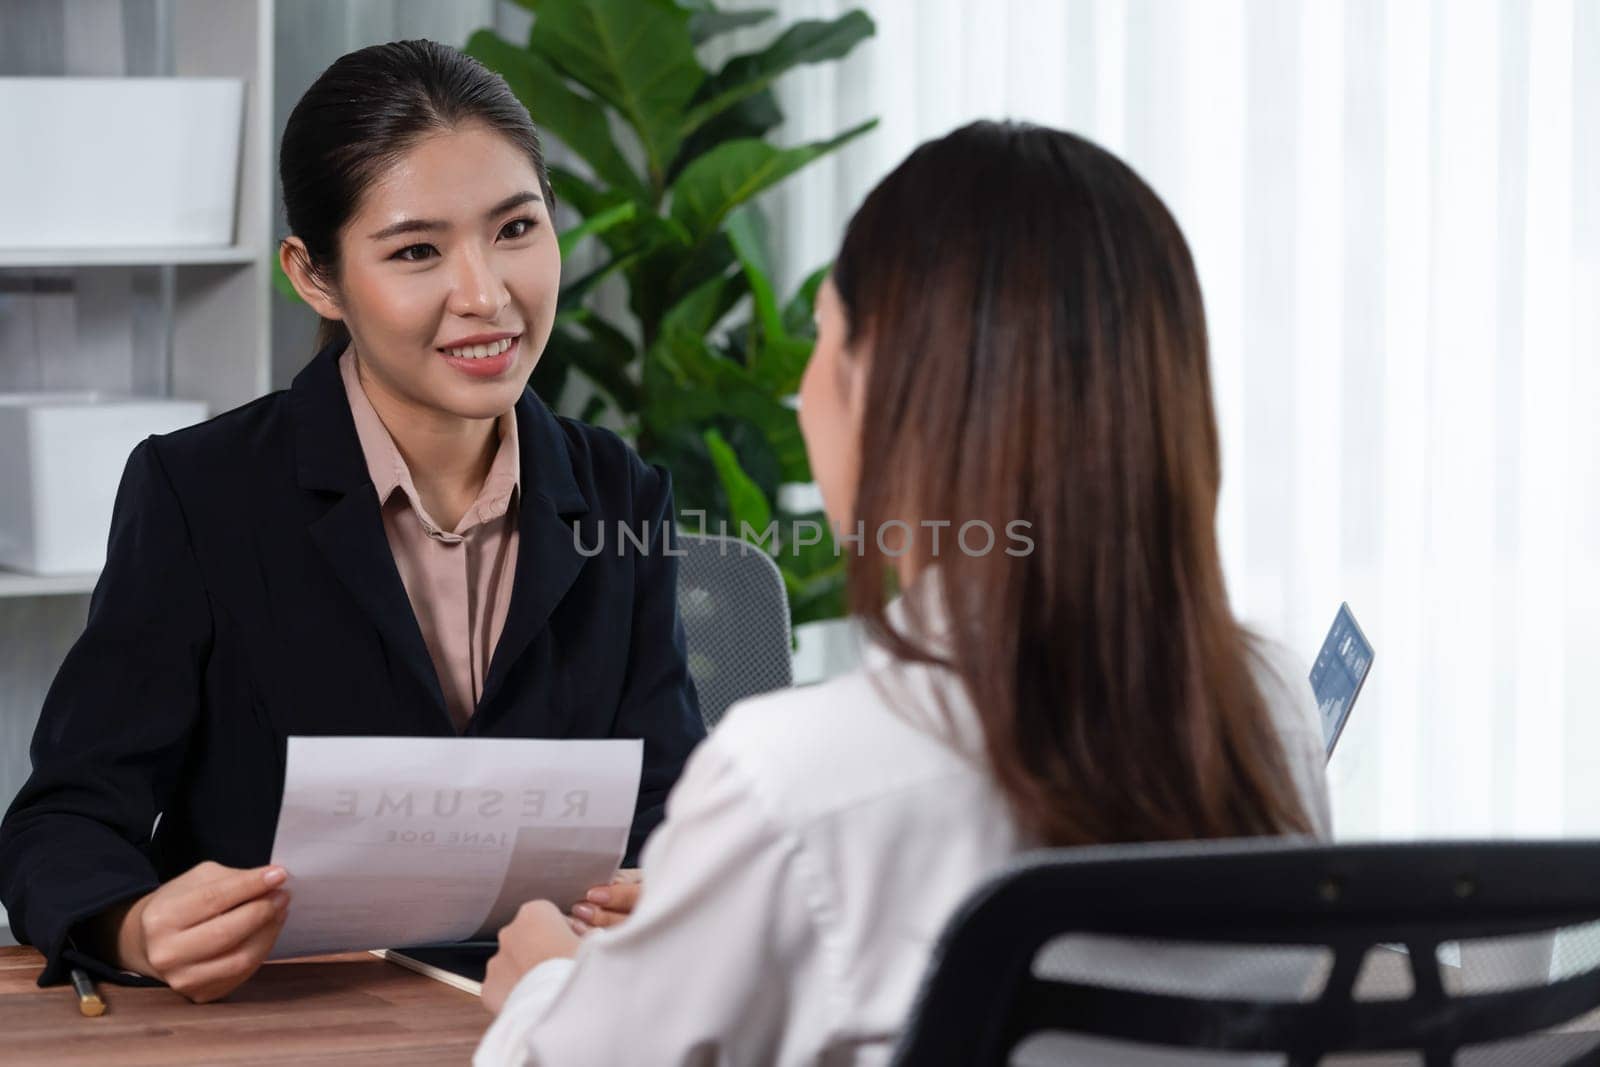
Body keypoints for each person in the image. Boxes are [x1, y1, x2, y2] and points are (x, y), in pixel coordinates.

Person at [472, 121, 1334, 1066]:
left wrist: (547, 980)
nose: (803, 396)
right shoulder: (1272, 708)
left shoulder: (796, 775)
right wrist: (711, 901)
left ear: (890, 391)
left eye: (825, 341)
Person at [0, 39, 704, 1003]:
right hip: (281, 1024)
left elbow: (669, 802)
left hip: (546, 1015)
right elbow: (64, 819)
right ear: (316, 276)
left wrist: (667, 883)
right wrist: (136, 922)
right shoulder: (199, 493)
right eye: (417, 250)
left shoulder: (621, 494)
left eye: (515, 229)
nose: (485, 294)